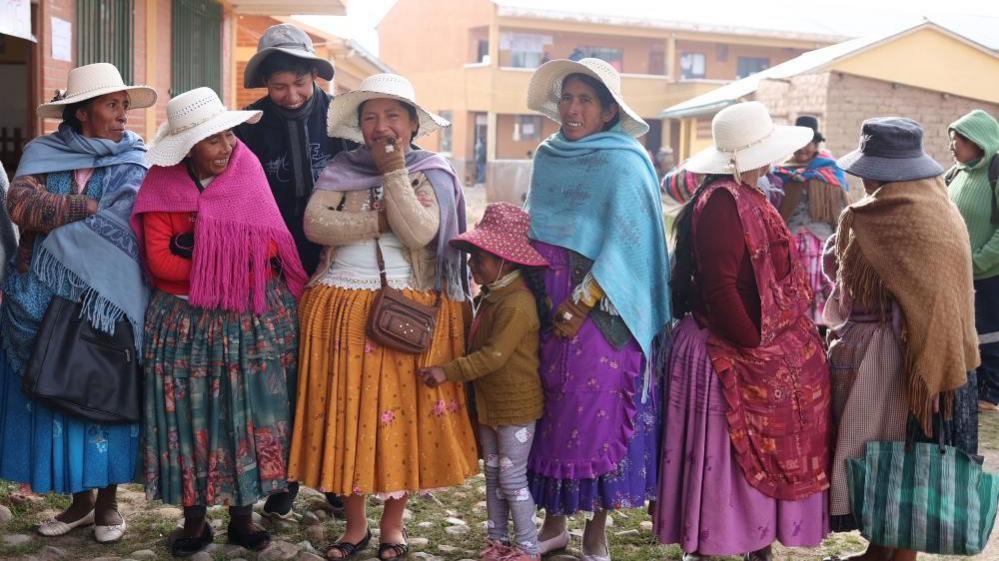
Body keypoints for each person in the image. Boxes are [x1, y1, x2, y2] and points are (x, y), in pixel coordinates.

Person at [286, 73, 478, 561]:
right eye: (370, 117)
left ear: (413, 123)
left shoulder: (430, 172)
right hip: (340, 307)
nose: (380, 125)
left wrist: (392, 171)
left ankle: (393, 526)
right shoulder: (339, 170)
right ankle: (355, 527)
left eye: (392, 115)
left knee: (400, 419)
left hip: (410, 312)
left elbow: (419, 232)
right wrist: (378, 219)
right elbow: (315, 224)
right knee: (348, 417)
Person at [132, 87, 308, 556]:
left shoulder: (247, 172)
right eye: (215, 140)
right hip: (183, 328)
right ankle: (194, 521)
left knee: (245, 416)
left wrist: (193, 244)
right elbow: (160, 262)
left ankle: (243, 517)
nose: (228, 146)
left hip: (248, 322)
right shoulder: (161, 185)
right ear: (188, 146)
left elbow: (267, 249)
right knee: (189, 419)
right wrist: (224, 255)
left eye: (229, 135)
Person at [654, 101, 831, 561]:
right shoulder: (722, 205)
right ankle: (715, 540)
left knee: (751, 449)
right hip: (724, 347)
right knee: (727, 455)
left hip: (745, 337)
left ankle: (755, 536)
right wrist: (756, 344)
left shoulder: (746, 196)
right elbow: (720, 287)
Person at [523, 58, 671, 561]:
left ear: (609, 112)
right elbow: (534, 227)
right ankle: (555, 521)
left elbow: (632, 247)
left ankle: (598, 529)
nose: (572, 108)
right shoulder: (547, 156)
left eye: (586, 100)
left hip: (606, 308)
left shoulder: (626, 162)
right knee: (552, 408)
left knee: (603, 411)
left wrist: (582, 301)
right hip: (546, 299)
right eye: (567, 98)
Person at [0, 62, 155, 544]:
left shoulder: (137, 161)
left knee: (102, 391)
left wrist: (61, 217)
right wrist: (88, 209)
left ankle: (108, 503)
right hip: (41, 298)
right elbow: (21, 205)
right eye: (112, 105)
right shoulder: (43, 152)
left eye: (124, 106)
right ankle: (78, 502)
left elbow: (132, 223)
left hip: (108, 300)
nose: (122, 115)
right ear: (82, 112)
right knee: (56, 392)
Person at [823, 117, 980, 561]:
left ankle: (890, 553)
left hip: (897, 359)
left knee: (888, 453)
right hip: (942, 354)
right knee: (906, 453)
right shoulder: (942, 206)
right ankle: (886, 550)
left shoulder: (871, 218)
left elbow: (846, 284)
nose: (867, 178)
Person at [234, 21, 357, 519]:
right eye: (279, 86)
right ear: (266, 84)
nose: (289, 95)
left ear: (315, 77)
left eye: (299, 84)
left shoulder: (344, 121)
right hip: (271, 269)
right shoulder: (247, 127)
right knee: (281, 373)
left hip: (337, 264)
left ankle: (331, 476)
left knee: (330, 370)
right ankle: (284, 475)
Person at [418, 202, 549, 561]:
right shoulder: (494, 296)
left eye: (480, 259)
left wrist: (448, 371)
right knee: (492, 477)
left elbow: (493, 356)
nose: (473, 265)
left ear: (505, 260)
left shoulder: (517, 304)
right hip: (492, 406)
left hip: (516, 408)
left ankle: (527, 546)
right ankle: (498, 540)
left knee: (511, 479)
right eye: (472, 258)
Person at [945, 109, 999, 414]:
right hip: (959, 274)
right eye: (952, 140)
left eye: (959, 141)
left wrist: (977, 262)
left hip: (988, 273)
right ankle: (973, 391)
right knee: (966, 332)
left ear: (979, 142)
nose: (953, 147)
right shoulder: (954, 173)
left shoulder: (996, 170)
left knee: (989, 334)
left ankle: (992, 395)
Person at [771, 116, 848, 327]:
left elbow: (840, 212)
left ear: (816, 145)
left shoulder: (829, 171)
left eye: (810, 143)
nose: (804, 148)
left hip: (821, 245)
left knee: (824, 291)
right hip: (790, 245)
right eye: (800, 143)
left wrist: (842, 242)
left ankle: (824, 328)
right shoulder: (779, 174)